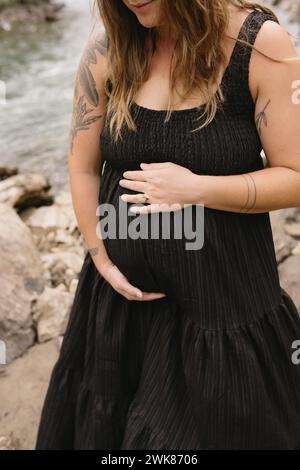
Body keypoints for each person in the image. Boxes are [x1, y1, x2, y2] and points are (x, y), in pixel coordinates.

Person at [35, 0, 300, 450]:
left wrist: (198, 189)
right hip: (122, 305)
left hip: (222, 309)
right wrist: (100, 257)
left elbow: (295, 176)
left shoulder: (259, 45)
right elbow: (81, 166)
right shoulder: (110, 46)